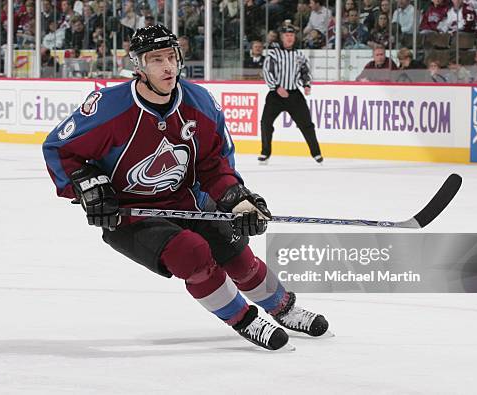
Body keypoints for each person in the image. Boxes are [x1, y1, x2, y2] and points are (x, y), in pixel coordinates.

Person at [42, 25, 330, 351]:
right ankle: (244, 320)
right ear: (139, 66)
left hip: (186, 200)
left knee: (235, 251)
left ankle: (284, 308)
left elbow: (214, 164)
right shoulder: (109, 107)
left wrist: (236, 200)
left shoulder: (199, 103)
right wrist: (87, 186)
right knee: (191, 253)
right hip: (131, 215)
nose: (167, 67)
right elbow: (59, 149)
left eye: (171, 57)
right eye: (155, 60)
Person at [260, 22, 323, 164]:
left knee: (306, 124)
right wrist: (276, 87)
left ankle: (316, 153)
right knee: (266, 123)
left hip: (294, 94)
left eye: (291, 35)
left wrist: (306, 84)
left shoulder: (299, 54)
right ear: (281, 37)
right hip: (276, 95)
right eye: (286, 35)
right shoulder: (274, 54)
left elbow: (305, 71)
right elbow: (267, 71)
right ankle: (265, 152)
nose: (289, 38)